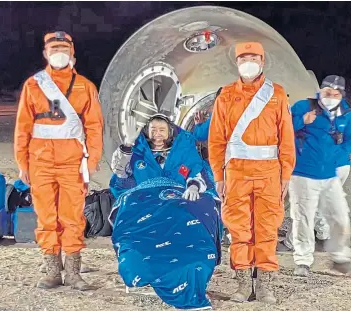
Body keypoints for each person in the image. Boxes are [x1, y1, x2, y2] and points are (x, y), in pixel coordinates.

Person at [14, 31, 103, 290]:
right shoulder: (33, 85)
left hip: (72, 163)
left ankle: (73, 272)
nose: (59, 53)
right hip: (39, 163)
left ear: (72, 54)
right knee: (46, 217)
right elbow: (23, 127)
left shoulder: (85, 86)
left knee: (73, 217)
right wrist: (22, 163)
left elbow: (95, 126)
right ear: (45, 54)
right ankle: (52, 270)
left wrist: (93, 160)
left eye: (64, 48)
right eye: (54, 49)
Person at [208, 41, 296, 304]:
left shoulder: (277, 94)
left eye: (253, 57)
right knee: (238, 229)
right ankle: (244, 284)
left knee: (267, 228)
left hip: (269, 172)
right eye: (243, 58)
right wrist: (219, 177)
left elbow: (286, 139)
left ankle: (266, 285)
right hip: (236, 173)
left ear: (262, 61)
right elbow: (216, 141)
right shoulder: (224, 95)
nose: (248, 62)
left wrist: (285, 176)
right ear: (236, 63)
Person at [109, 113, 222, 310]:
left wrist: (194, 186)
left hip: (177, 197)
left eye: (162, 129)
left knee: (195, 213)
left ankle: (191, 272)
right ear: (146, 131)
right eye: (153, 130)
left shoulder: (184, 147)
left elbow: (197, 171)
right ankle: (141, 269)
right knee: (132, 220)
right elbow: (121, 176)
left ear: (169, 131)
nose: (157, 134)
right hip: (144, 199)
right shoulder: (136, 150)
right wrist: (127, 146)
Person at [289, 75, 351, 277]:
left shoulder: (345, 113)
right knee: (303, 217)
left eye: (336, 94)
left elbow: (348, 139)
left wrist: (338, 154)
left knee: (340, 215)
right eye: (327, 93)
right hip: (303, 174)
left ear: (342, 95)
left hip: (329, 173)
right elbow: (283, 130)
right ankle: (303, 261)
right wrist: (301, 121)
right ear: (320, 91)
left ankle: (339, 257)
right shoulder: (303, 106)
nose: (331, 97)